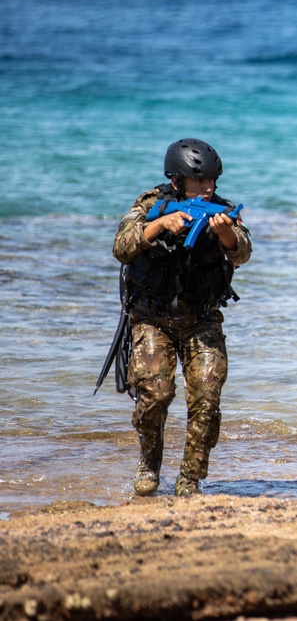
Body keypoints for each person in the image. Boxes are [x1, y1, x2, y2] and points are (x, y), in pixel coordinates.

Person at [113, 138, 252, 497]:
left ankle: (190, 479)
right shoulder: (149, 204)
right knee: (154, 397)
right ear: (177, 180)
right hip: (152, 319)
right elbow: (122, 247)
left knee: (207, 397)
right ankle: (149, 463)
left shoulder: (221, 209)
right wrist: (160, 225)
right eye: (199, 181)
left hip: (201, 319)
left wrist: (226, 236)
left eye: (212, 181)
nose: (208, 188)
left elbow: (243, 253)